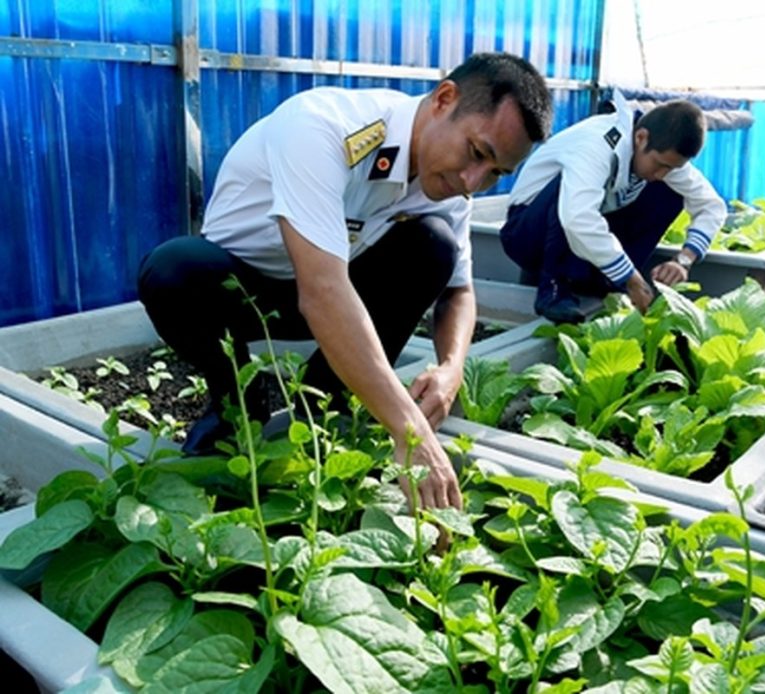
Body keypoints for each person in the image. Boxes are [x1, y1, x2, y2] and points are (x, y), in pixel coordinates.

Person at [137, 52, 552, 511]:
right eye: (477, 153)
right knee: (171, 270)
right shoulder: (324, 127)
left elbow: (459, 291)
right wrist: (410, 429)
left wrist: (452, 368)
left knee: (433, 245)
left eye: (496, 173)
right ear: (444, 99)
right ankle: (237, 404)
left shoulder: (449, 183)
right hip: (240, 291)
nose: (473, 181)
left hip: (330, 292)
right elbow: (323, 293)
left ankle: (326, 417)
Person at [499, 89, 727, 323]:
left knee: (670, 191)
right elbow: (577, 217)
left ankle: (607, 283)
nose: (661, 173)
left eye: (669, 167)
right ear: (641, 137)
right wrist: (631, 277)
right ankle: (554, 289)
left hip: (572, 236)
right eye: (659, 164)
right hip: (527, 233)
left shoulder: (658, 153)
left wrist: (683, 260)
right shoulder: (598, 143)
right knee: (572, 193)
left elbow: (711, 205)